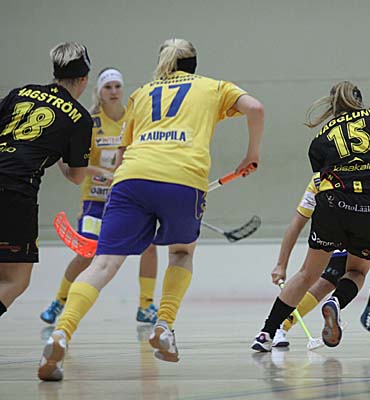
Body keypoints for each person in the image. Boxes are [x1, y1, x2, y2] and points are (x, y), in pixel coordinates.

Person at [38, 38, 264, 381]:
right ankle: (164, 325)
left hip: (131, 178)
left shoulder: (141, 93)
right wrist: (251, 154)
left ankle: (62, 332)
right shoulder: (213, 87)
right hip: (184, 177)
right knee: (181, 253)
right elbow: (255, 108)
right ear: (194, 63)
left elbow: (123, 153)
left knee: (103, 263)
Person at [252, 81, 370, 351]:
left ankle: (266, 333)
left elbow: (321, 181)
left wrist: (281, 263)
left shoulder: (319, 140)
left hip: (333, 205)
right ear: (359, 102)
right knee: (357, 270)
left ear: (332, 106)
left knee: (308, 274)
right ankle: (337, 301)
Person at [39, 68, 159, 325]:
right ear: (99, 91)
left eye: (117, 86)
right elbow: (71, 162)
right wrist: (101, 173)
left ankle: (146, 305)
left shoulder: (134, 119)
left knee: (149, 246)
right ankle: (59, 301)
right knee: (87, 253)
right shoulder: (89, 122)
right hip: (95, 201)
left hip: (126, 202)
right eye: (108, 87)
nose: (114, 91)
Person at [270, 170, 370, 348]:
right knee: (328, 279)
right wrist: (281, 264)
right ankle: (282, 326)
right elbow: (298, 221)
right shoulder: (320, 180)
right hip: (349, 222)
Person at [0, 42, 93, 318]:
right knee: (14, 280)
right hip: (15, 192)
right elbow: (77, 177)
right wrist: (61, 156)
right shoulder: (80, 119)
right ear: (84, 79)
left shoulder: (20, 93)